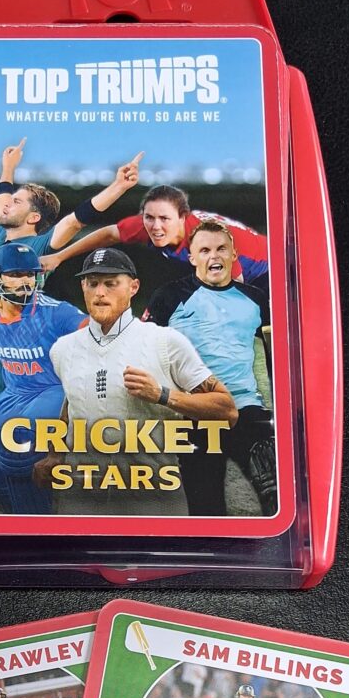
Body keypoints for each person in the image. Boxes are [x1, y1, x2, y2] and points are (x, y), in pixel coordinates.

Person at [0, 140, 144, 452]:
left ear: (34, 218)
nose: (6, 205)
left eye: (17, 202)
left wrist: (118, 187)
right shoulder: (1, 234)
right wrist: (8, 167)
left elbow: (77, 218)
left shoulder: (42, 245)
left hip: (14, 346)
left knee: (14, 436)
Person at [35, 248, 237, 516]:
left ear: (133, 287)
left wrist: (162, 394)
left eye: (111, 283)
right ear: (83, 286)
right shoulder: (63, 349)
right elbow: (72, 402)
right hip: (81, 500)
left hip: (153, 499)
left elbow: (227, 411)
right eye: (92, 283)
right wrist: (55, 455)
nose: (100, 293)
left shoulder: (165, 342)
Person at [145, 219, 276, 516]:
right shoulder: (169, 296)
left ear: (233, 254)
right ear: (192, 257)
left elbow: (275, 355)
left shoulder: (255, 299)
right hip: (194, 411)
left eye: (221, 249)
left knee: (274, 484)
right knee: (206, 506)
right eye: (204, 250)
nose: (214, 256)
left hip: (245, 407)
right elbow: (145, 349)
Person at [0, 243, 87, 512]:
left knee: (17, 442)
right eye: (16, 274)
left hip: (54, 389)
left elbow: (95, 330)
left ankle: (40, 525)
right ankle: (40, 509)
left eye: (30, 274)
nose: (26, 281)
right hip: (14, 393)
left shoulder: (55, 311)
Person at [41, 184, 268, 286]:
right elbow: (109, 234)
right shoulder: (148, 224)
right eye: (149, 217)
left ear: (182, 217)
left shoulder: (208, 240)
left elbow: (235, 291)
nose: (156, 227)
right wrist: (59, 257)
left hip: (268, 268)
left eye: (164, 219)